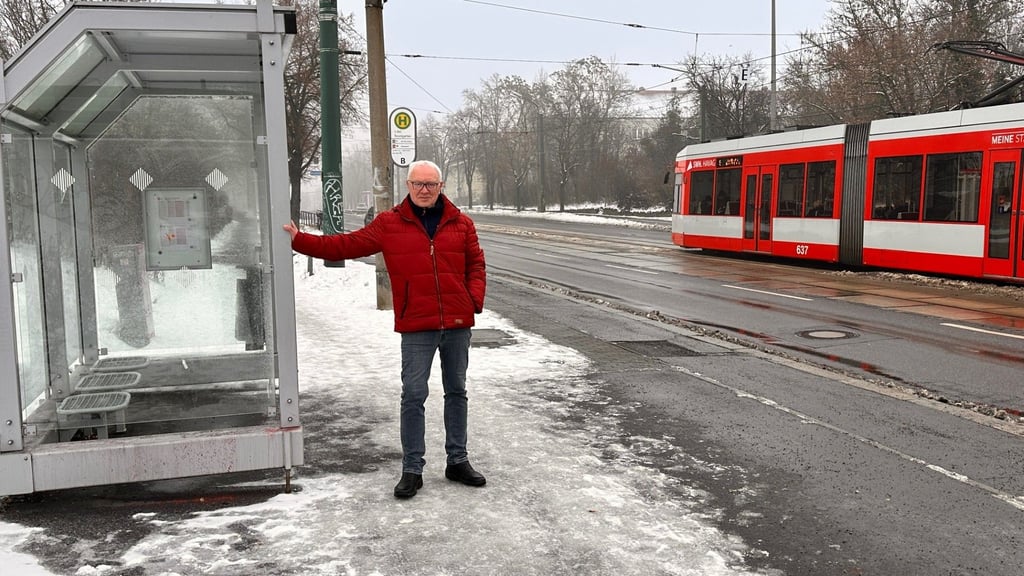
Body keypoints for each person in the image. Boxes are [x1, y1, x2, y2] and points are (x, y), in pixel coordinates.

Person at [283, 160, 487, 499]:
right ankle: (412, 468)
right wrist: (299, 240)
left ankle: (457, 460)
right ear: (408, 185)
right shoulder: (390, 224)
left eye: (431, 184)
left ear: (441, 186)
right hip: (416, 325)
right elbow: (345, 245)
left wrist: (471, 301)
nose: (424, 190)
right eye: (418, 184)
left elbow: (476, 264)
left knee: (456, 391)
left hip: (456, 324)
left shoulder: (461, 224)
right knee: (414, 395)